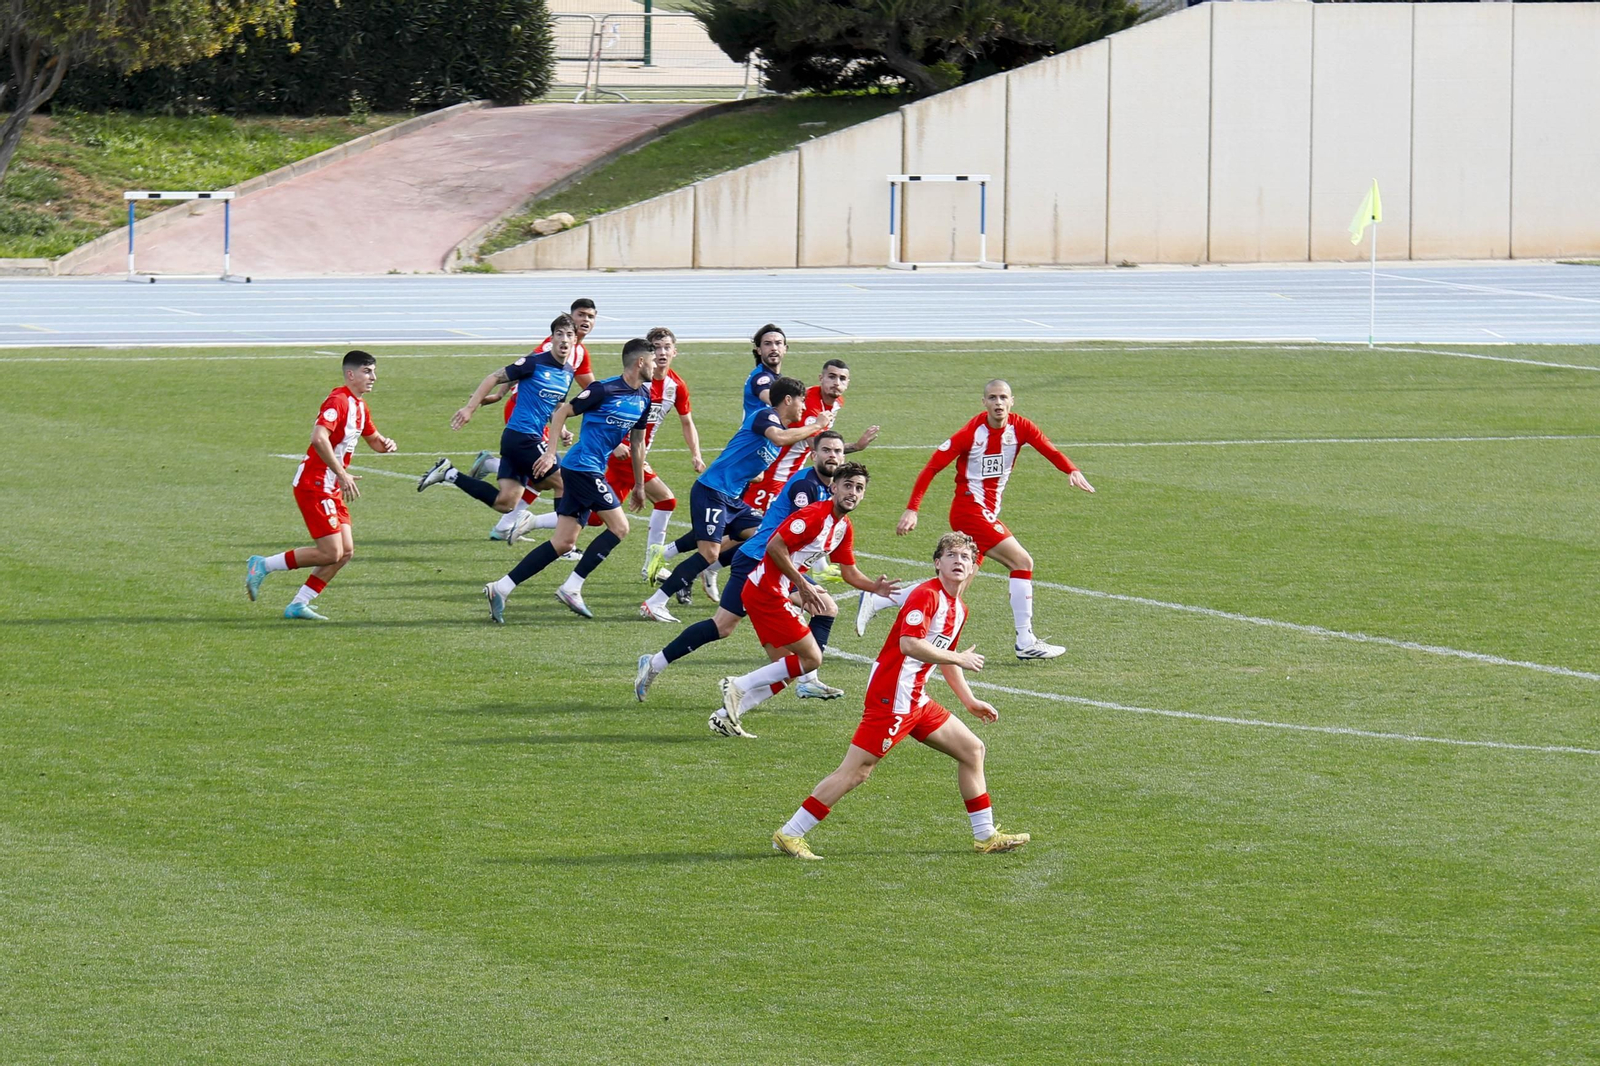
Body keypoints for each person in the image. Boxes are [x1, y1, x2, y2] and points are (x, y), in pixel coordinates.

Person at [772, 532, 1031, 859]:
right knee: (856, 772)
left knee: (972, 749)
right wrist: (957, 657)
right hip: (892, 697)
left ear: (973, 568)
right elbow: (910, 644)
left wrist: (969, 700)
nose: (958, 561)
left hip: (916, 699)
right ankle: (790, 833)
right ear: (938, 564)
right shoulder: (927, 596)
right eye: (951, 556)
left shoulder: (958, 608)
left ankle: (985, 836)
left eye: (965, 557)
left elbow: (944, 655)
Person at [860, 379, 1095, 660]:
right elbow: (932, 467)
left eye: (1003, 397)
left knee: (958, 584)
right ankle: (1025, 639)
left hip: (986, 512)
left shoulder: (1021, 427)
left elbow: (1049, 449)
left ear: (1012, 401)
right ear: (983, 402)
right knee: (1022, 562)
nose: (998, 403)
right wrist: (912, 508)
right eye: (992, 397)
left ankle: (882, 599)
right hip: (969, 510)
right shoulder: (971, 433)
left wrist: (1071, 469)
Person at [634, 432, 867, 710]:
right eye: (826, 450)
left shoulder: (827, 485)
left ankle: (804, 678)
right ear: (813, 454)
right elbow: (791, 539)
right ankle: (657, 662)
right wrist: (807, 580)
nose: (833, 455)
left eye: (839, 451)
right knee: (724, 626)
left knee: (823, 609)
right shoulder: (806, 487)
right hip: (761, 560)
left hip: (777, 564)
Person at [703, 463, 901, 738]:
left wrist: (873, 587)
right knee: (811, 659)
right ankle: (737, 684)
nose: (852, 492)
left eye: (859, 488)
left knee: (784, 671)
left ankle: (725, 717)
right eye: (847, 485)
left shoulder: (843, 526)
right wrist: (801, 584)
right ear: (833, 488)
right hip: (767, 591)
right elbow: (774, 546)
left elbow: (848, 571)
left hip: (769, 591)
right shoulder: (814, 515)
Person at [481, 339, 654, 623]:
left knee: (563, 542)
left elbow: (637, 443)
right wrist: (550, 454)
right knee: (620, 527)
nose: (655, 366)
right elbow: (562, 411)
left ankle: (500, 588)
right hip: (582, 468)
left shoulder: (644, 397)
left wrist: (639, 485)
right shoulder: (603, 389)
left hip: (589, 469)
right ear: (639, 362)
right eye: (651, 361)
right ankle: (572, 587)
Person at [637, 376, 821, 622]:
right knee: (709, 553)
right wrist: (817, 425)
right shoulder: (766, 416)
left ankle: (668, 553)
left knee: (761, 535)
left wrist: (743, 471)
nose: (803, 407)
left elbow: (757, 469)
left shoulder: (778, 430)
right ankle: (655, 602)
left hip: (731, 499)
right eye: (802, 401)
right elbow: (778, 438)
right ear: (788, 399)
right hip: (712, 491)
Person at [522, 327, 705, 571]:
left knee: (597, 518)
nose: (661, 353)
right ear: (644, 356)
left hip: (632, 453)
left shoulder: (676, 386)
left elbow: (686, 421)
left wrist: (696, 453)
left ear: (675, 352)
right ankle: (653, 563)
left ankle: (529, 521)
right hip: (623, 455)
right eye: (656, 348)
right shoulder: (634, 383)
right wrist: (617, 444)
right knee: (665, 501)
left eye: (666, 348)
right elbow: (604, 414)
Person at [246, 350, 397, 619]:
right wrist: (341, 472)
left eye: (373, 371)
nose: (373, 377)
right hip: (314, 484)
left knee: (345, 552)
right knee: (331, 551)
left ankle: (298, 604)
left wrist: (386, 444)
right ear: (351, 374)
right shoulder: (338, 401)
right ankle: (263, 565)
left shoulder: (360, 406)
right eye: (367, 371)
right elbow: (318, 437)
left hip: (331, 487)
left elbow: (373, 440)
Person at [415, 315, 585, 544]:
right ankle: (563, 542)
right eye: (560, 334)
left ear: (575, 340)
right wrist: (470, 408)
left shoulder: (567, 373)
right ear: (551, 338)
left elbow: (555, 407)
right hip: (522, 437)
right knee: (562, 481)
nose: (564, 340)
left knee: (505, 503)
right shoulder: (533, 362)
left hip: (522, 440)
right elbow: (494, 377)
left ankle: (449, 473)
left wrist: (562, 429)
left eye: (569, 335)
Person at [472, 298, 598, 534]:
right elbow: (523, 365)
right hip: (524, 407)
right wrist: (500, 393)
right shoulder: (555, 343)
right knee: (551, 472)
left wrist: (562, 427)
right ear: (571, 317)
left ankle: (505, 524)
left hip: (545, 413)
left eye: (590, 317)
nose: (585, 321)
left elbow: (588, 388)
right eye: (581, 315)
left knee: (542, 473)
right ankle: (552, 534)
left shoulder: (579, 353)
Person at [743, 358, 878, 513]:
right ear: (821, 378)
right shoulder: (812, 405)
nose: (836, 383)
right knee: (755, 529)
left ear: (848, 382)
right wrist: (856, 446)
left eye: (842, 379)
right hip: (773, 474)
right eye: (831, 377)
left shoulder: (836, 402)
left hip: (793, 474)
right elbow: (819, 448)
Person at [743, 323, 786, 416]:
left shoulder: (776, 377)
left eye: (778, 343)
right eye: (767, 344)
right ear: (759, 350)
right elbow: (774, 401)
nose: (774, 348)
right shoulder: (761, 376)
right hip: (757, 431)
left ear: (785, 349)